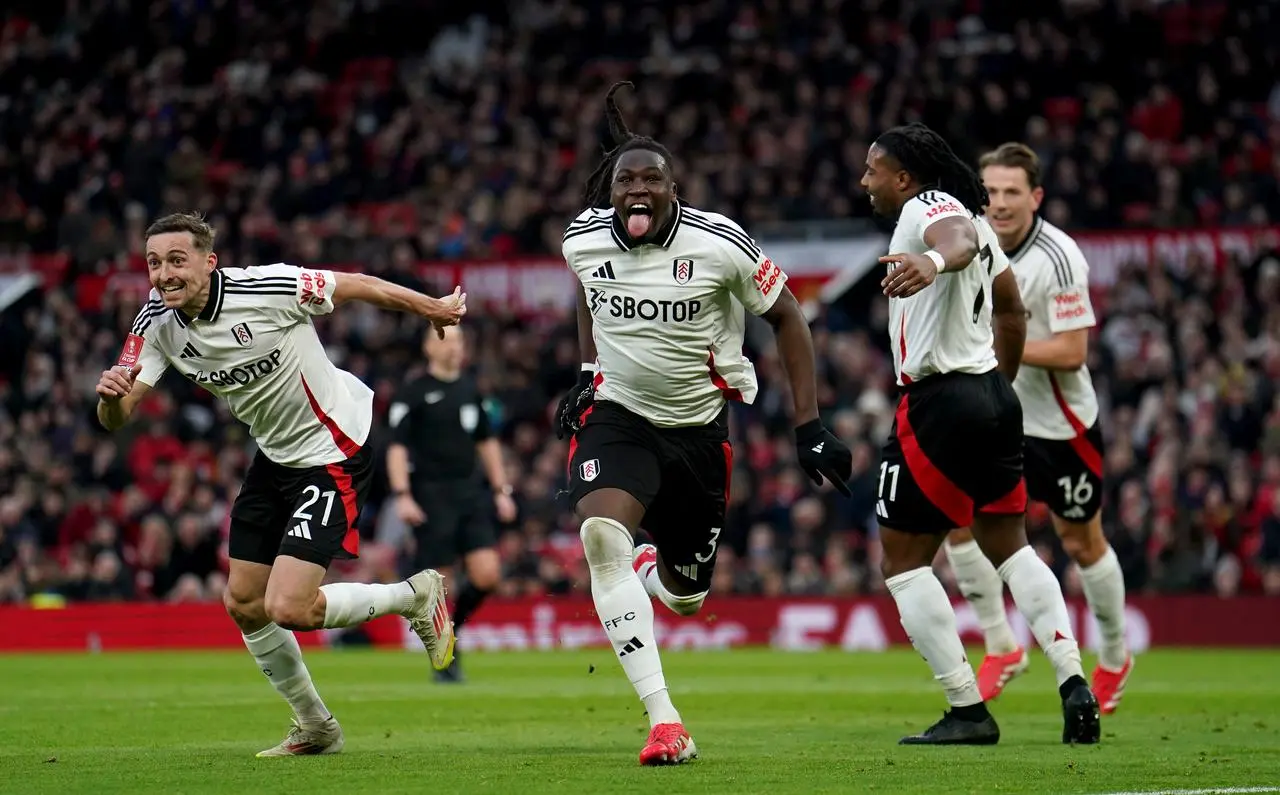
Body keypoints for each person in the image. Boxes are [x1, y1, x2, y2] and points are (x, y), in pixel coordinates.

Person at [556, 82, 853, 765]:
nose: (636, 189)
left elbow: (787, 317)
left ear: (672, 188)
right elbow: (587, 289)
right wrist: (584, 369)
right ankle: (664, 720)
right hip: (618, 416)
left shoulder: (721, 243)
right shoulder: (583, 237)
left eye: (650, 179)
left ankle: (656, 569)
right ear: (612, 189)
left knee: (687, 598)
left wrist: (808, 425)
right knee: (601, 536)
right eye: (625, 179)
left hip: (698, 428)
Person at [95, 212, 465, 756]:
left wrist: (430, 307)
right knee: (244, 602)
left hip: (334, 448)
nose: (164, 274)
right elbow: (119, 414)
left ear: (208, 261)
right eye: (154, 262)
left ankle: (412, 595)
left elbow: (356, 285)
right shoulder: (154, 323)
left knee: (288, 607)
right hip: (275, 457)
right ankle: (316, 726)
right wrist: (108, 399)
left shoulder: (265, 287)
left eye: (177, 259)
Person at [861, 123, 1100, 746]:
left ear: (905, 177)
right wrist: (997, 388)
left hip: (939, 401)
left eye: (874, 170)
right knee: (1010, 544)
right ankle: (1074, 679)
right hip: (993, 394)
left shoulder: (930, 209)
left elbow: (956, 241)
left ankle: (967, 708)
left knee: (904, 562)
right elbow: (1013, 312)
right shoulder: (982, 224)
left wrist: (932, 259)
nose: (866, 181)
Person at [943, 142, 1133, 711]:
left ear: (1036, 196)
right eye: (991, 191)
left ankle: (1117, 655)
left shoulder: (1059, 257)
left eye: (1011, 192)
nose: (998, 204)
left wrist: (997, 346)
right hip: (999, 417)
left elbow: (1074, 350)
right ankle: (1001, 645)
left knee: (1081, 540)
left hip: (1061, 425)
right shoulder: (965, 238)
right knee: (957, 521)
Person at [386, 324, 517, 683]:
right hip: (432, 495)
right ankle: (445, 655)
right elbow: (396, 448)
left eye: (460, 339)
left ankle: (451, 631)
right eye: (447, 339)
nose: (456, 346)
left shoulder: (471, 388)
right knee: (441, 585)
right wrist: (403, 496)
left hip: (471, 493)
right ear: (428, 347)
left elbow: (487, 442)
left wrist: (501, 490)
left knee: (487, 574)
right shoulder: (412, 393)